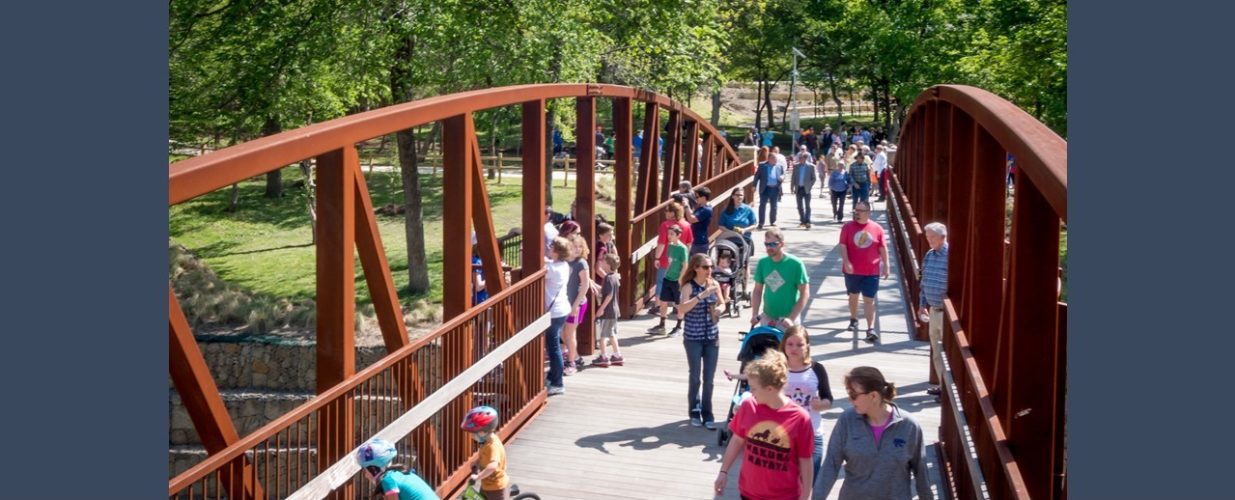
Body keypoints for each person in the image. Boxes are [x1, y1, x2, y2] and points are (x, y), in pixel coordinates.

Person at [724, 325, 833, 480]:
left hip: (812, 431)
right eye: (790, 344)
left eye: (800, 344)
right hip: (781, 434)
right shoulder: (777, 369)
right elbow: (756, 380)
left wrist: (821, 405)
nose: (794, 348)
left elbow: (828, 398)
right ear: (783, 345)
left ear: (807, 346)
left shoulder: (816, 369)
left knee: (808, 483)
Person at [813, 367, 933, 500]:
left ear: (873, 396)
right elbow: (831, 465)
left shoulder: (909, 426)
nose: (849, 400)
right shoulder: (846, 421)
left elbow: (921, 473)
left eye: (854, 395)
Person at [714, 350, 814, 500]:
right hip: (749, 493)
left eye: (754, 388)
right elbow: (736, 440)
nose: (751, 393)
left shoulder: (800, 418)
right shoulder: (749, 406)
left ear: (769, 389)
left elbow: (805, 459)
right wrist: (723, 472)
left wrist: (805, 495)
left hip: (784, 496)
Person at [676, 253, 726, 429]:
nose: (710, 270)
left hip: (712, 337)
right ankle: (695, 411)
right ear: (696, 268)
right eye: (706, 267)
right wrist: (701, 296)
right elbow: (681, 310)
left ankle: (708, 413)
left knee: (709, 378)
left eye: (711, 267)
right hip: (693, 338)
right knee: (695, 376)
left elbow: (723, 303)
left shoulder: (715, 284)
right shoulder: (688, 287)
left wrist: (720, 309)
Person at [839, 202, 889, 343]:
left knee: (869, 300)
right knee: (853, 296)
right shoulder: (848, 227)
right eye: (856, 210)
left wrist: (886, 265)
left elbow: (882, 248)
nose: (857, 213)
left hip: (871, 270)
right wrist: (846, 261)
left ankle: (870, 329)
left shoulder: (877, 228)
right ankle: (854, 319)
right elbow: (843, 246)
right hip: (852, 270)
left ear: (868, 212)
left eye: (861, 210)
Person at [750, 227, 809, 329]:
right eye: (766, 244)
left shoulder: (796, 264)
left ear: (781, 244)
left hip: (788, 319)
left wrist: (791, 318)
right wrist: (755, 314)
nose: (769, 247)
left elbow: (805, 293)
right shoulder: (763, 263)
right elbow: (757, 290)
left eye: (773, 244)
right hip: (768, 316)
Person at [918, 222, 949, 398]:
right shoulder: (930, 255)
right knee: (937, 352)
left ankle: (949, 390)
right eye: (928, 237)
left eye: (932, 237)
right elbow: (924, 281)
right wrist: (922, 304)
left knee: (947, 354)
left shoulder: (951, 256)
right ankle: (942, 385)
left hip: (947, 313)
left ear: (943, 237)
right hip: (933, 310)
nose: (929, 240)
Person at [355, 438, 439, 500]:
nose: (365, 475)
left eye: (365, 470)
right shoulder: (400, 472)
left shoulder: (388, 480)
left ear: (373, 469)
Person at [649, 201, 694, 315]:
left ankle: (658, 305)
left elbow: (662, 243)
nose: (665, 213)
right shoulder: (687, 225)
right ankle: (676, 306)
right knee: (678, 283)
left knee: (662, 282)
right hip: (680, 261)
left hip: (667, 259)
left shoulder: (666, 225)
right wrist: (685, 259)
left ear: (672, 213)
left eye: (667, 211)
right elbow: (689, 244)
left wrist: (657, 258)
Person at [461, 406, 510, 500]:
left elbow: (492, 467)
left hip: (497, 487)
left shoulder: (493, 446)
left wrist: (477, 476)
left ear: (484, 432)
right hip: (486, 485)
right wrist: (477, 463)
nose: (472, 436)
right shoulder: (485, 442)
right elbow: (484, 457)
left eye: (474, 433)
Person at [543, 237, 573, 395]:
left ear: (556, 251)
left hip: (553, 312)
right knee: (554, 345)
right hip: (562, 309)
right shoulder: (564, 265)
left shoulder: (552, 270)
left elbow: (543, 268)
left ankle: (557, 382)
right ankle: (552, 376)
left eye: (551, 246)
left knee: (553, 348)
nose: (549, 248)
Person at [651, 225, 689, 335]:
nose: (669, 236)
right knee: (663, 302)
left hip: (677, 280)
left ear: (678, 235)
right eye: (668, 234)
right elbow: (670, 261)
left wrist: (680, 279)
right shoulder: (670, 246)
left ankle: (678, 326)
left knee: (678, 304)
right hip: (668, 278)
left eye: (672, 234)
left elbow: (685, 265)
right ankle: (662, 325)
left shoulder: (683, 249)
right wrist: (666, 273)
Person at [561, 234, 591, 375]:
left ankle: (571, 362)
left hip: (576, 303)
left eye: (580, 246)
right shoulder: (565, 261)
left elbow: (585, 285)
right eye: (574, 246)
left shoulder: (581, 263)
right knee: (562, 332)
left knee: (569, 333)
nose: (577, 249)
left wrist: (575, 306)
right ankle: (576, 357)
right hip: (563, 303)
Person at [591, 252, 624, 367]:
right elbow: (607, 291)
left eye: (604, 262)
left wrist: (601, 308)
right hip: (614, 310)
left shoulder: (608, 278)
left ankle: (603, 356)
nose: (602, 263)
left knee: (603, 335)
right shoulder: (614, 276)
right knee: (611, 333)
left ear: (608, 265)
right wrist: (594, 284)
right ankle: (617, 355)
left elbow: (609, 295)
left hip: (608, 311)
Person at [754, 147, 785, 229]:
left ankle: (773, 221)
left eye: (776, 159)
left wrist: (782, 177)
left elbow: (782, 175)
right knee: (762, 206)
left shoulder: (779, 166)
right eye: (774, 159)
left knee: (774, 206)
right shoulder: (762, 165)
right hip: (765, 188)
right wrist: (754, 185)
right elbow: (757, 176)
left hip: (775, 188)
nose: (776, 160)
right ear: (769, 159)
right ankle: (761, 223)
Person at [791, 151, 818, 229]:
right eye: (799, 158)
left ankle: (808, 221)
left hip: (806, 189)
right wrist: (792, 187)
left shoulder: (811, 166)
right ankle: (802, 221)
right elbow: (793, 177)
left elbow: (814, 178)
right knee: (799, 206)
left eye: (801, 158)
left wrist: (809, 186)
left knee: (807, 206)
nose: (800, 159)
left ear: (805, 158)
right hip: (798, 188)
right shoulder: (796, 166)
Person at [687, 186, 713, 256]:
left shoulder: (706, 210)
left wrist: (686, 206)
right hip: (694, 241)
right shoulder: (700, 207)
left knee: (698, 265)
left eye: (697, 197)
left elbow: (691, 219)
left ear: (704, 198)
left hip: (699, 243)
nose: (696, 198)